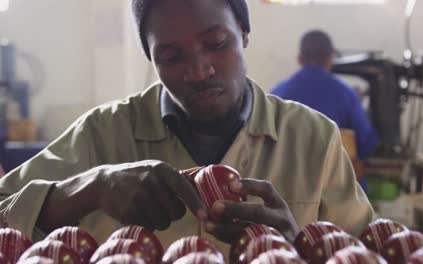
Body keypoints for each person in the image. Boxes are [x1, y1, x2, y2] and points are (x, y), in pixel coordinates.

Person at [0, 0, 373, 252]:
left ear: (244, 33)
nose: (198, 70)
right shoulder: (102, 135)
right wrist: (89, 189)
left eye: (216, 43)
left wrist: (295, 246)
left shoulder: (314, 140)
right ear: (152, 59)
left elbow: (365, 251)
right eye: (171, 56)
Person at [271, 30, 379, 160]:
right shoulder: (347, 94)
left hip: (287, 177)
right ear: (330, 60)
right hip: (334, 177)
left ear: (299, 59)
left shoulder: (277, 93)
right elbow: (365, 144)